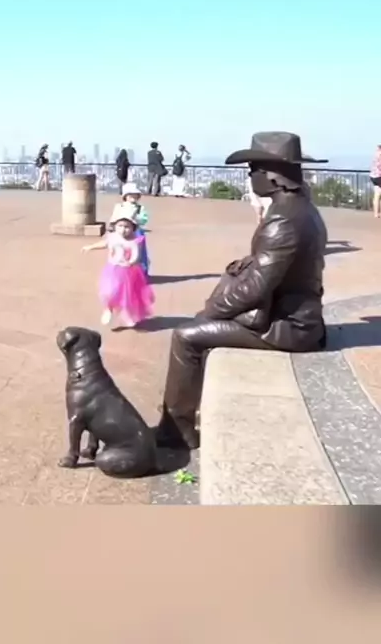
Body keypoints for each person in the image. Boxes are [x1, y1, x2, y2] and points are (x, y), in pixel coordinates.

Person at [155, 131, 329, 451]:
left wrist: (209, 312)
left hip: (288, 327)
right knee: (200, 328)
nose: (250, 176)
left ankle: (176, 430)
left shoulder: (283, 220)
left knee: (186, 335)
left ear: (271, 176)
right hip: (301, 317)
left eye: (253, 169)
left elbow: (255, 288)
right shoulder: (304, 209)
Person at [82, 202, 154, 329]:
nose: (123, 229)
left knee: (127, 297)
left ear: (133, 228)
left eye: (127, 227)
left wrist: (131, 261)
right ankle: (108, 309)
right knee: (108, 291)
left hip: (128, 272)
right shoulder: (112, 237)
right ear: (115, 226)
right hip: (112, 270)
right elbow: (104, 244)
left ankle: (128, 316)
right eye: (120, 226)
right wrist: (90, 247)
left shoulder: (134, 241)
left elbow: (136, 254)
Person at [121, 182, 150, 276]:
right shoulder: (121, 207)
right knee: (123, 251)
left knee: (139, 253)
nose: (133, 197)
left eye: (135, 195)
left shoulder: (140, 208)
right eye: (130, 195)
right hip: (123, 232)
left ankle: (141, 272)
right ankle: (124, 271)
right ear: (125, 196)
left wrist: (135, 218)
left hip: (136, 232)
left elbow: (144, 219)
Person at [370, 145, 381, 218]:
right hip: (379, 177)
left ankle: (376, 213)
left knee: (377, 195)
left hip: (373, 176)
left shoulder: (375, 155)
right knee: (378, 195)